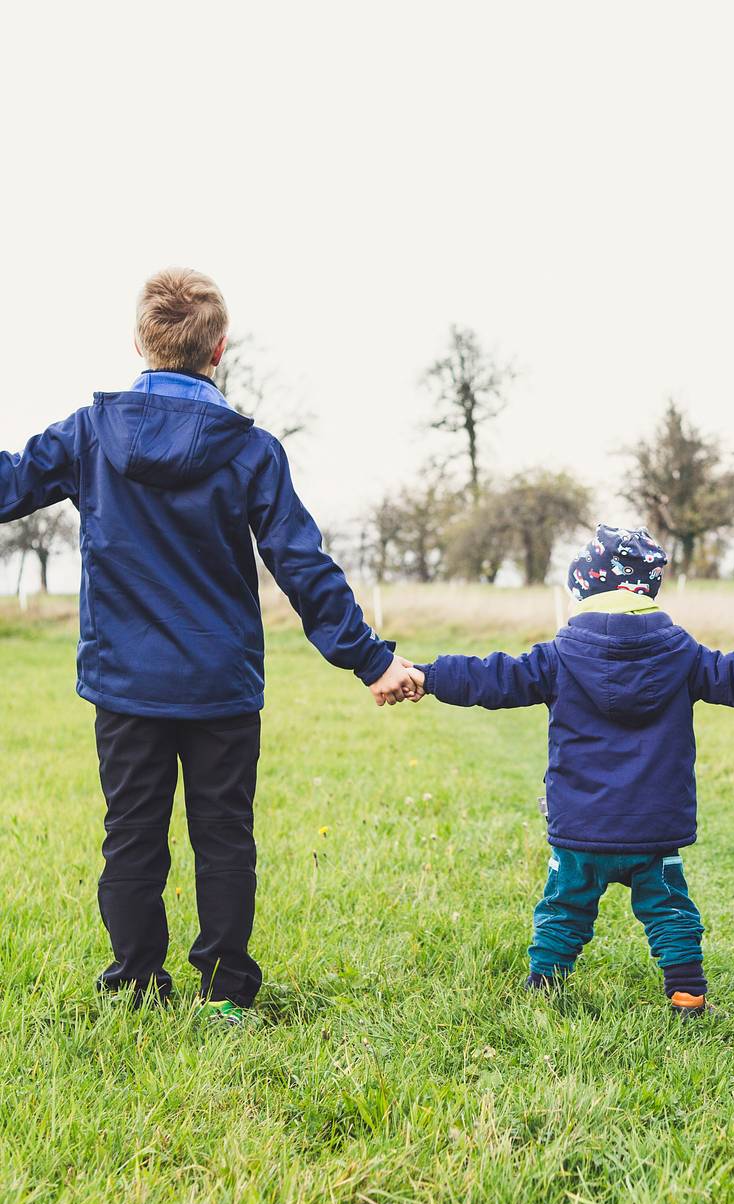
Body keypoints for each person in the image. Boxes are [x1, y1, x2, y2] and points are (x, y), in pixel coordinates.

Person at [0, 267, 422, 1026]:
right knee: (224, 835)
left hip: (126, 684)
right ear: (219, 348)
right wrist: (372, 659)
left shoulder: (91, 435)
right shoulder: (252, 449)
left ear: (139, 340)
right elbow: (301, 564)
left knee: (130, 837)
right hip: (220, 684)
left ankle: (134, 984)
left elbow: (7, 487)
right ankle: (226, 993)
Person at [413, 524, 734, 1014]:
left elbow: (491, 677)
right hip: (654, 827)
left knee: (564, 907)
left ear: (584, 589)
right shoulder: (684, 655)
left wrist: (428, 676)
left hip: (581, 826)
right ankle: (686, 990)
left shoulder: (557, 657)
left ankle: (544, 985)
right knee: (669, 910)